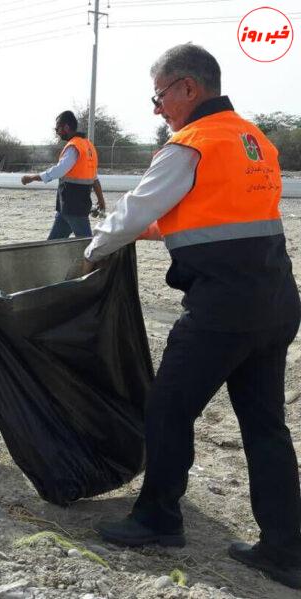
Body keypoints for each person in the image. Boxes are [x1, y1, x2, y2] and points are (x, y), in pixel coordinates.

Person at [82, 44, 301, 590]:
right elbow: (223, 211)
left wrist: (94, 249)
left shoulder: (191, 144)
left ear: (187, 88)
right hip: (274, 301)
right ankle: (286, 549)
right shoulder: (253, 139)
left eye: (159, 96)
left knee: (167, 407)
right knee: (266, 426)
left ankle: (158, 516)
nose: (158, 109)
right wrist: (152, 230)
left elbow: (135, 208)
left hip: (222, 308)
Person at [21, 111, 105, 239]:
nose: (57, 132)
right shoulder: (88, 146)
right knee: (53, 246)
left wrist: (32, 177)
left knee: (86, 246)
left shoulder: (73, 147)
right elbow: (94, 178)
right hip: (69, 207)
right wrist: (101, 199)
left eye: (57, 128)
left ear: (66, 127)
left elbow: (59, 170)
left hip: (73, 207)